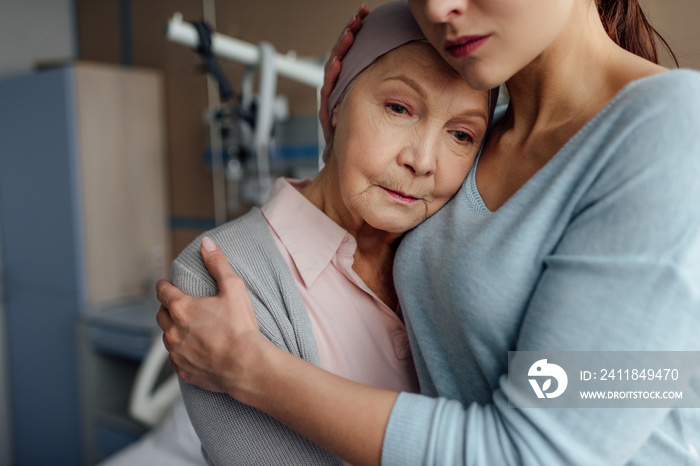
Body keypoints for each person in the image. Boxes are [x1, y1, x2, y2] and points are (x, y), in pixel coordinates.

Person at [157, 0, 700, 464]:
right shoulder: (483, 139)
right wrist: (348, 138)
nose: (440, 8)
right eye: (396, 107)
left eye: (457, 134)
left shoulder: (671, 127)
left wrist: (252, 369)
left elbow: (539, 448)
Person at [160, 2, 491, 464]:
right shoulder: (219, 270)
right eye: (398, 107)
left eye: (462, 135)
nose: (424, 160)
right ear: (334, 102)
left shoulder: (453, 257)